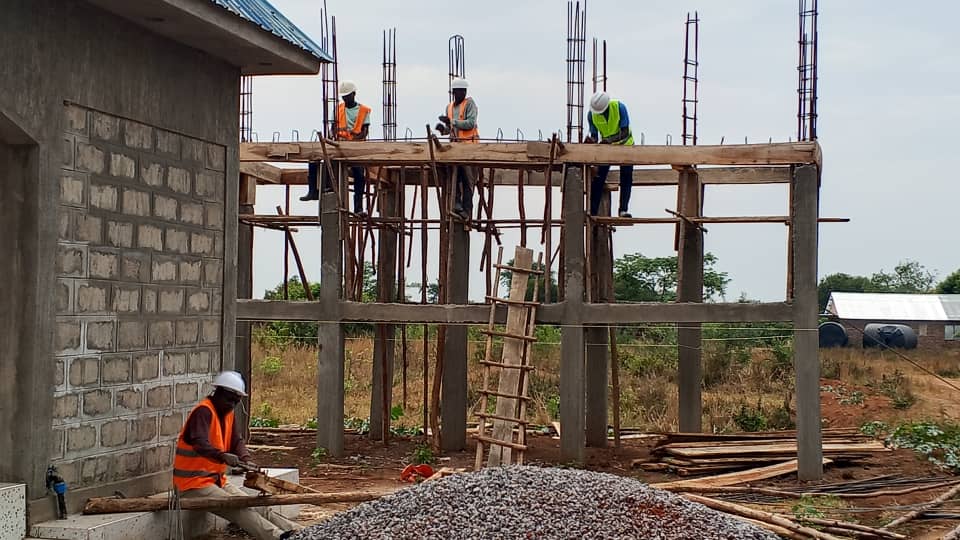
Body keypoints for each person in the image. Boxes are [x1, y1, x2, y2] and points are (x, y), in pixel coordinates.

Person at [174, 371, 297, 540]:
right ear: (218, 393)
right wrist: (223, 456)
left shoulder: (227, 414)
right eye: (229, 400)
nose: (232, 405)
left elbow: (236, 441)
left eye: (236, 402)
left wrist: (246, 459)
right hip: (192, 485)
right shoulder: (203, 412)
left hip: (215, 481)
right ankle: (279, 537)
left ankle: (298, 531)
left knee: (254, 504)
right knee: (240, 509)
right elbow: (199, 443)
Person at [300, 80, 372, 216]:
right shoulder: (338, 109)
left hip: (355, 149)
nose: (345, 99)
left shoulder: (363, 110)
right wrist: (336, 139)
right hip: (337, 146)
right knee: (314, 159)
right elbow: (333, 129)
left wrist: (351, 142)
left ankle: (358, 208)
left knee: (359, 175)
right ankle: (313, 191)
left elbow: (364, 131)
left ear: (354, 94)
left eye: (348, 96)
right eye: (344, 97)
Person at [585, 91, 634, 218]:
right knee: (598, 177)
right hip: (607, 150)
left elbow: (625, 132)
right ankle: (592, 212)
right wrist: (591, 141)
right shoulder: (592, 115)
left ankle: (623, 210)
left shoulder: (619, 108)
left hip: (625, 146)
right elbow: (595, 135)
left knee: (626, 177)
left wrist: (610, 140)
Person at [435, 78, 478, 220]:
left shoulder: (470, 104)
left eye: (461, 92)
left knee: (467, 181)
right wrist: (443, 129)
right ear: (454, 92)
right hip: (455, 149)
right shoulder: (449, 107)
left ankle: (466, 210)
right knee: (455, 177)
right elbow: (450, 130)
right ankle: (457, 204)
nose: (459, 94)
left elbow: (470, 123)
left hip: (468, 148)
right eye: (457, 92)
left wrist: (451, 122)